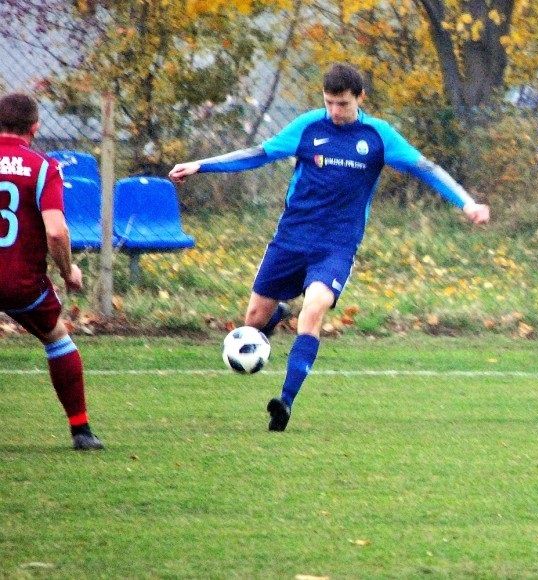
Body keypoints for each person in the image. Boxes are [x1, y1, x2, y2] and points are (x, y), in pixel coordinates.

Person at [169, 63, 489, 432]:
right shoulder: (308, 127)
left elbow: (426, 168)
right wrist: (200, 165)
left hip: (337, 245)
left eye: (343, 104)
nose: (335, 112)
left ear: (360, 98)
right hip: (291, 238)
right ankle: (278, 314)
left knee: (314, 309)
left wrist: (467, 203)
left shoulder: (378, 136)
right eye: (329, 103)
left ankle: (285, 402)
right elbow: (259, 154)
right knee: (254, 321)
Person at [0, 92, 103, 451]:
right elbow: (56, 232)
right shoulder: (43, 167)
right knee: (57, 339)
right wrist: (68, 270)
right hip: (21, 283)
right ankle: (81, 431)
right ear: (35, 127)